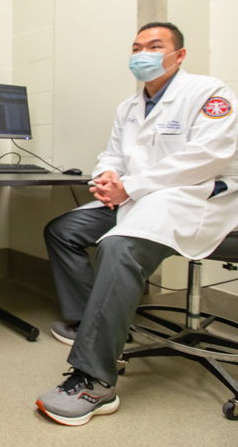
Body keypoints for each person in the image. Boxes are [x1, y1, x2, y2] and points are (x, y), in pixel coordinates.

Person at [35, 21, 238, 426]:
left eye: (154, 45)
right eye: (136, 46)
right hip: (138, 197)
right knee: (64, 231)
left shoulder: (208, 93)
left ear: (178, 55)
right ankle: (90, 322)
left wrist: (130, 186)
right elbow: (113, 154)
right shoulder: (128, 107)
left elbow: (205, 158)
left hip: (194, 202)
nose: (142, 53)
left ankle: (95, 380)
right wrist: (108, 178)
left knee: (120, 247)